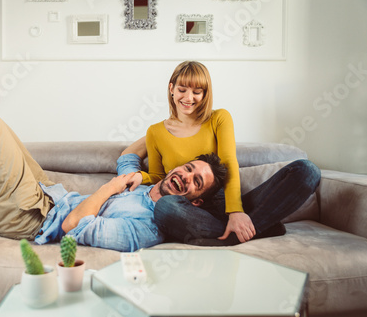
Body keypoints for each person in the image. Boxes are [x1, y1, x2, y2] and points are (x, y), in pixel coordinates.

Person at [0, 113, 228, 252]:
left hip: (34, 218)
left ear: (195, 201)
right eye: (188, 168)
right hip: (47, 192)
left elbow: (72, 224)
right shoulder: (141, 183)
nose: (185, 177)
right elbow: (128, 155)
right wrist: (171, 127)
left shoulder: (148, 228)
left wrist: (109, 187)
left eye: (197, 182)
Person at [123, 61, 321, 245]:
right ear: (171, 89)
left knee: (307, 170)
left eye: (196, 92)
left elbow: (229, 163)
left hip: (224, 200)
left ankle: (237, 232)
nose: (188, 98)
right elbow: (160, 177)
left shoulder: (219, 118)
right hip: (190, 208)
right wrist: (142, 176)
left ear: (205, 94)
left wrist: (235, 211)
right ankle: (254, 230)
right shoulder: (155, 132)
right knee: (165, 207)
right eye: (182, 90)